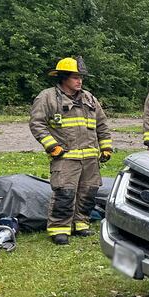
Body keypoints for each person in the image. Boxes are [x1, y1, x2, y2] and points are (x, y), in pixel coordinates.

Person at [29, 57, 112, 245]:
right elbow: (37, 124)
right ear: (63, 77)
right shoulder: (47, 97)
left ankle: (81, 224)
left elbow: (102, 124)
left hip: (90, 158)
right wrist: (52, 146)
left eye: (81, 77)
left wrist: (106, 147)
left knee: (88, 193)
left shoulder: (89, 98)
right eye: (75, 77)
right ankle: (59, 229)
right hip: (65, 157)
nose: (79, 81)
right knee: (65, 193)